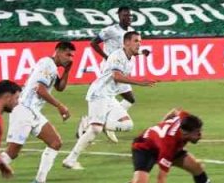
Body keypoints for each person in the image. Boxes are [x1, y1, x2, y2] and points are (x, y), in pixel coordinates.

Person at [92, 109, 224, 183]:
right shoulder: (168, 144)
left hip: (165, 143)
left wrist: (162, 123)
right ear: (185, 132)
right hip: (145, 147)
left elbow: (175, 111)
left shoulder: (185, 118)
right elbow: (161, 179)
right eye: (197, 133)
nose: (200, 135)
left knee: (197, 168)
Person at [63, 31, 157, 170]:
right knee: (95, 129)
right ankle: (71, 159)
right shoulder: (117, 56)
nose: (139, 43)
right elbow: (116, 76)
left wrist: (143, 52)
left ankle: (90, 123)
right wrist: (140, 82)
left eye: (140, 41)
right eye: (136, 41)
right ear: (126, 43)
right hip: (99, 93)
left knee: (127, 125)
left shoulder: (129, 55)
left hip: (110, 96)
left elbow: (135, 52)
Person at [3, 41, 75, 183]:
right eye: (68, 54)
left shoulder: (53, 69)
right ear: (58, 51)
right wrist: (59, 106)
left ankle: (40, 181)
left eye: (72, 56)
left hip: (33, 112)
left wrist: (67, 70)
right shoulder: (47, 64)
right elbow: (39, 89)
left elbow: (60, 88)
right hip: (24, 110)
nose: (70, 58)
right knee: (12, 152)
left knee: (55, 143)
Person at [85, 6, 142, 142]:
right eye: (124, 15)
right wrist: (106, 56)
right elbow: (93, 43)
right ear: (119, 16)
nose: (127, 18)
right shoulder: (110, 30)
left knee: (127, 99)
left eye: (129, 16)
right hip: (110, 70)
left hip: (121, 69)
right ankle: (100, 124)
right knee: (123, 98)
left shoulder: (131, 33)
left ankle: (104, 122)